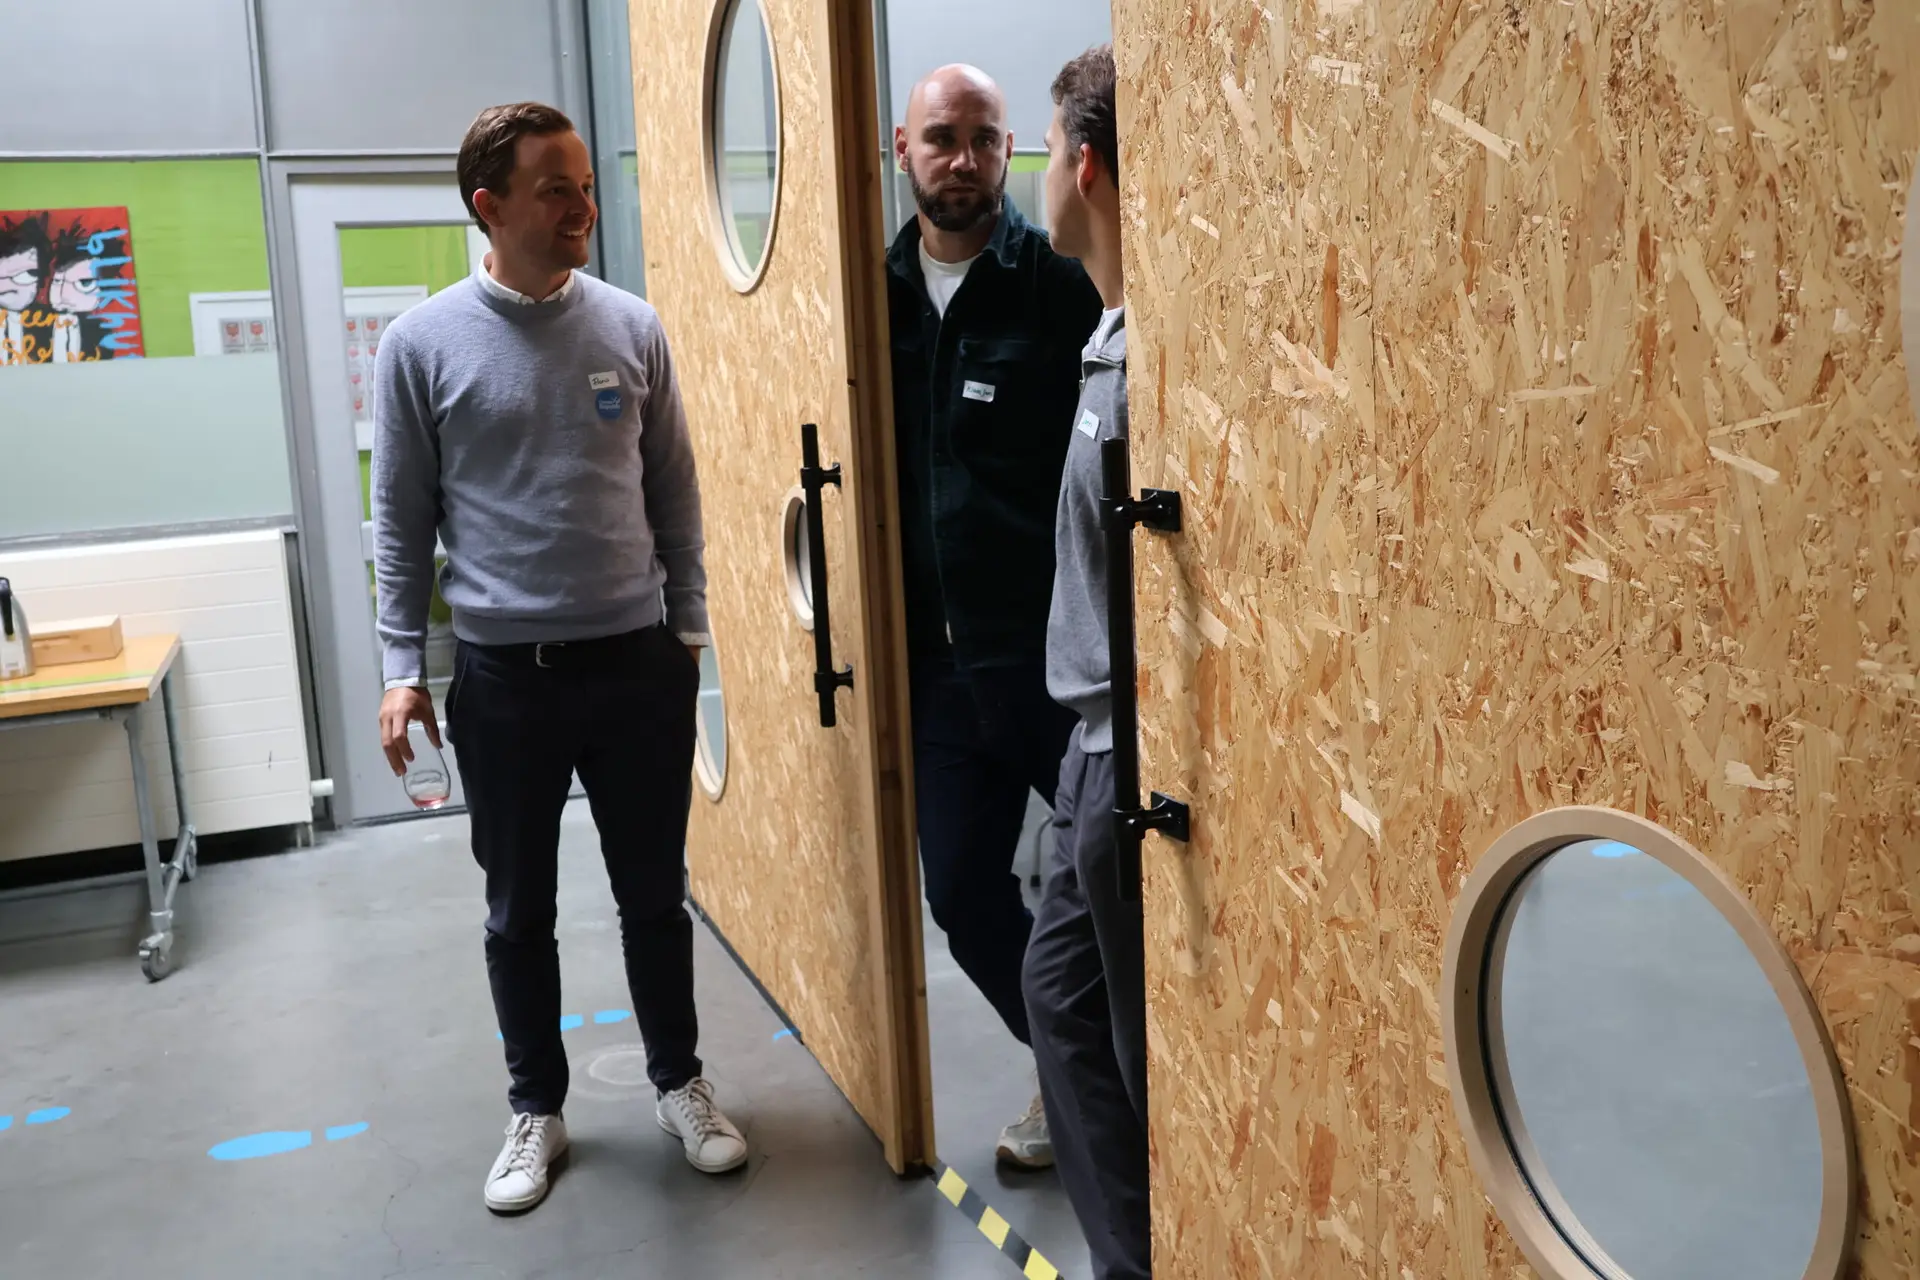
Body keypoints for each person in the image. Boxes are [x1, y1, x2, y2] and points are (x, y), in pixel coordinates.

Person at [372, 101, 746, 1216]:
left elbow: (673, 487)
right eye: (555, 189)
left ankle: (679, 1083)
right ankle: (536, 1107)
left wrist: (688, 631)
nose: (583, 205)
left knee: (654, 898)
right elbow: (401, 524)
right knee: (516, 912)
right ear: (489, 206)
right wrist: (402, 666)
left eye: (584, 185)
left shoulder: (632, 326)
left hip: (636, 665)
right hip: (504, 680)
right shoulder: (420, 345)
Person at [887, 64, 1103, 1168]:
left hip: (1051, 664)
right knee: (965, 894)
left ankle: (1127, 1094)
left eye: (984, 139)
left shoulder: (1057, 284)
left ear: (1011, 150)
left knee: (1107, 893)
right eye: (942, 138)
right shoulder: (869, 296)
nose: (964, 160)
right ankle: (1069, 1072)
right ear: (904, 149)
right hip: (937, 672)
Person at [1022, 46, 1152, 1279]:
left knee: (1132, 1042)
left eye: (1045, 147)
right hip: (1088, 748)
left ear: (1089, 165)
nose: (1037, 173)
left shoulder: (1148, 363)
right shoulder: (1105, 337)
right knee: (1060, 1000)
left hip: (1127, 760)